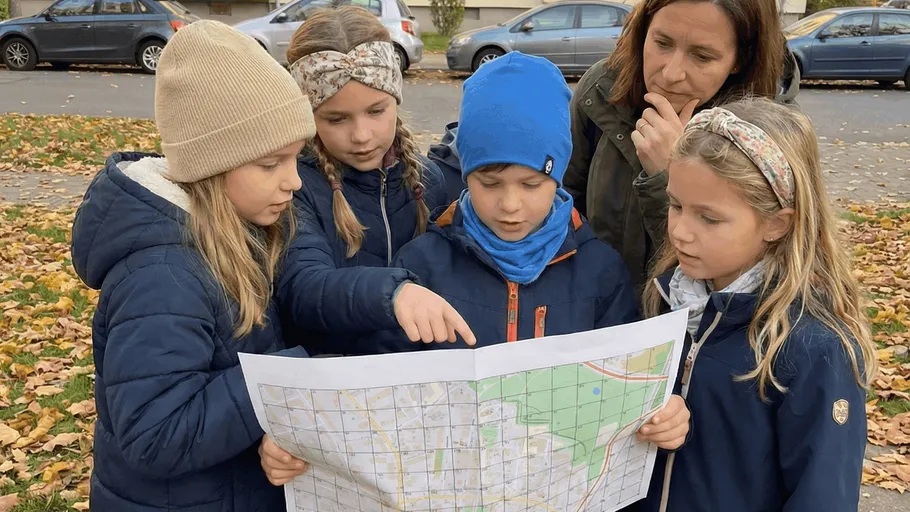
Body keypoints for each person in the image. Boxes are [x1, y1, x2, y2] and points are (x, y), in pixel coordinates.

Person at [260, 52, 692, 487]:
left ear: (558, 175)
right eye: (488, 183)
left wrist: (663, 412)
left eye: (532, 184)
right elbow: (378, 395)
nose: (509, 205)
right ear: (464, 174)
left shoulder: (600, 271)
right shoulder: (421, 266)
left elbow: (633, 387)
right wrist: (305, 441)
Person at [70, 21, 314, 510]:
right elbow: (155, 434)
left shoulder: (235, 235)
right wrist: (279, 381)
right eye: (271, 164)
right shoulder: (162, 276)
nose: (294, 182)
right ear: (211, 165)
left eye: (296, 159)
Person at [636, 97, 875, 511]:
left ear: (775, 223)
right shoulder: (664, 301)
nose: (680, 232)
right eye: (675, 205)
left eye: (708, 218)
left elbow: (823, 496)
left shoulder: (813, 348)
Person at [565, 0, 800, 292]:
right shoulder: (601, 90)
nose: (671, 74)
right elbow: (564, 202)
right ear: (643, 30)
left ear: (740, 58)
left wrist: (669, 174)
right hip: (598, 310)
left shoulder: (769, 135)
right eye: (662, 43)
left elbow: (753, 268)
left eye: (702, 57)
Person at [277, 6, 473, 357]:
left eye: (376, 111)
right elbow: (303, 288)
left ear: (396, 99)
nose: (362, 136)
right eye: (336, 119)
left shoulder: (427, 179)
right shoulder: (294, 186)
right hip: (332, 376)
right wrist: (394, 292)